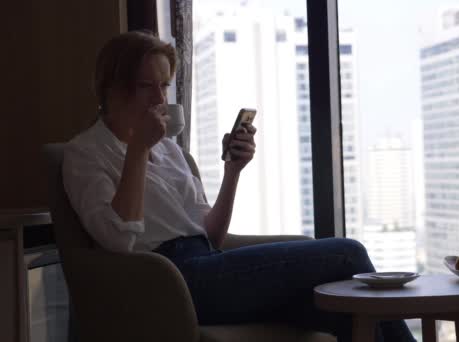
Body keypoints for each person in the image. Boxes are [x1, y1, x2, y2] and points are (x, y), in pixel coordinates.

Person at [63, 31, 416, 342]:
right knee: (346, 253)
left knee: (350, 315)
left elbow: (211, 237)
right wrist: (138, 148)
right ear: (113, 88)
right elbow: (116, 239)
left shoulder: (169, 149)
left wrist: (233, 171)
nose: (160, 98)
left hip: (208, 266)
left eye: (165, 85)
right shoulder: (85, 153)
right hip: (166, 285)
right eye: (146, 86)